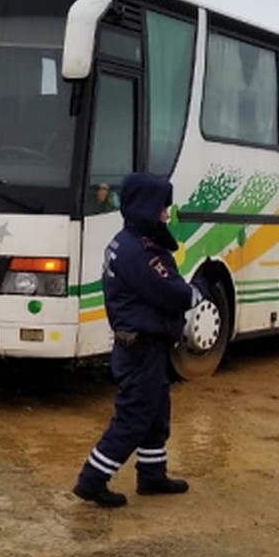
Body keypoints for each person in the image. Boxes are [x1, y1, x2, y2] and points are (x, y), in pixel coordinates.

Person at [73, 172, 198, 508]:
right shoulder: (139, 252)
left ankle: (152, 474)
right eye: (161, 208)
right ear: (145, 207)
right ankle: (92, 480)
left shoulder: (125, 241)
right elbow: (172, 293)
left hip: (143, 344)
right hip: (141, 346)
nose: (165, 215)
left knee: (156, 411)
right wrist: (194, 294)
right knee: (134, 416)